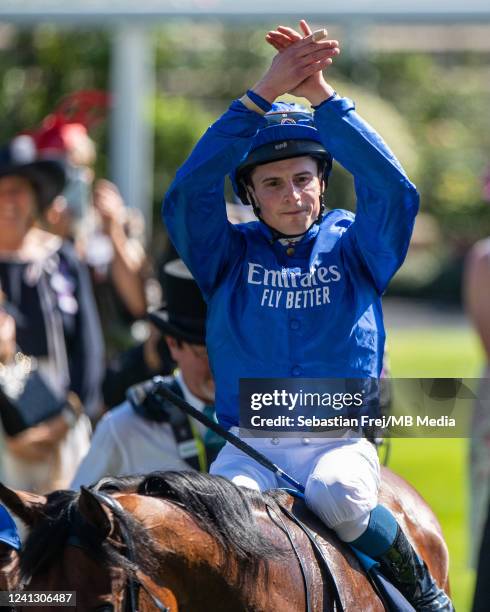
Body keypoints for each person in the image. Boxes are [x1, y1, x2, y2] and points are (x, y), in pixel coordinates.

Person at [163, 20, 452, 611]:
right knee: (221, 522)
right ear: (250, 195)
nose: (292, 195)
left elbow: (394, 192)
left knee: (339, 495)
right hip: (248, 443)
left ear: (323, 183)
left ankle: (424, 596)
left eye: (303, 179)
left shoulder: (357, 247)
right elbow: (186, 194)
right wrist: (262, 94)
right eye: (272, 184)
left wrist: (322, 98)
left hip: (339, 439)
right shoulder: (225, 255)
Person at [0, 133, 103, 492]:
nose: (9, 201)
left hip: (64, 417)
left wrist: (68, 417)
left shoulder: (61, 257)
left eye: (18, 190)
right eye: (1, 190)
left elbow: (88, 344)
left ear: (36, 195)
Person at [71, 259, 222, 488]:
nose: (220, 366)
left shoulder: (273, 408)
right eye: (204, 353)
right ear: (173, 344)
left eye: (230, 350)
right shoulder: (126, 427)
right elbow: (74, 512)